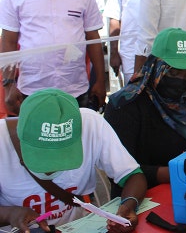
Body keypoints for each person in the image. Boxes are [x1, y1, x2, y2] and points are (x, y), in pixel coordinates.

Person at [0, 88, 147, 231]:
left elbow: (133, 176)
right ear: (21, 134)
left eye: (62, 155)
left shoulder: (90, 124)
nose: (52, 168)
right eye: (42, 155)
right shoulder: (2, 141)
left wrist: (128, 207)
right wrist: (9, 214)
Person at [0, 0, 106, 113]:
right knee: (36, 139)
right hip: (31, 89)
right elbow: (8, 41)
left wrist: (100, 81)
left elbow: (93, 39)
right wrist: (9, 85)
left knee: (74, 137)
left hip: (75, 88)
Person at [105, 28, 186, 193]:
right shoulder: (125, 105)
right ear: (155, 66)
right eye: (173, 72)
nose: (181, 80)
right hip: (139, 197)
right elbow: (118, 168)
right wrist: (171, 174)